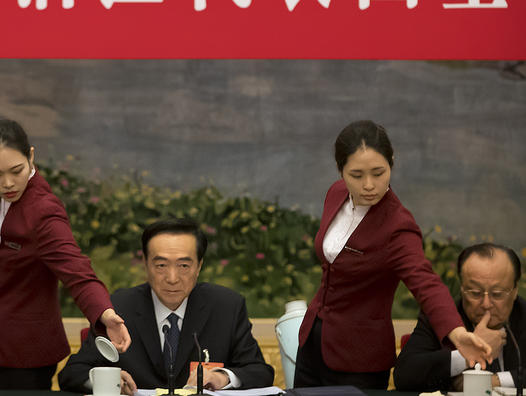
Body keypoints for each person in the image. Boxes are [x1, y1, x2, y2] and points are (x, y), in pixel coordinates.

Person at [293, 120, 491, 389]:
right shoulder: (336, 193)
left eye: (378, 172)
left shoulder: (397, 226)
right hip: (312, 344)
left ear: (392, 162)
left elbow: (426, 282)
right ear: (340, 170)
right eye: (356, 175)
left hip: (358, 359)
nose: (369, 185)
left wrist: (456, 333)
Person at [0, 119, 131, 390]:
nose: (7, 183)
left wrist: (105, 313)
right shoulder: (2, 199)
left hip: (27, 349)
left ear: (31, 156)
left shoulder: (43, 210)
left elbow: (76, 269)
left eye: (16, 170)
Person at [58, 218, 274, 395]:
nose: (172, 278)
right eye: (161, 265)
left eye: (184, 266)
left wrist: (222, 377)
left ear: (199, 266)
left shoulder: (226, 306)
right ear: (145, 263)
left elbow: (260, 371)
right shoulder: (117, 308)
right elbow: (72, 373)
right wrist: (106, 380)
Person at [394, 243, 524, 392]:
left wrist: (494, 381)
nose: (486, 304)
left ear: (514, 291)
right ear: (462, 289)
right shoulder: (441, 318)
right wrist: (465, 355)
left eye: (498, 294)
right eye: (475, 293)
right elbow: (404, 375)